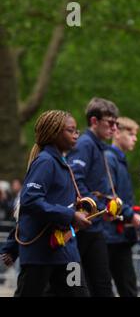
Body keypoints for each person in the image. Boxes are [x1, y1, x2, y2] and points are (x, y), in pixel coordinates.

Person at [12, 110, 91, 297]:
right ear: (54, 133)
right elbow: (30, 200)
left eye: (76, 131)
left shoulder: (62, 163)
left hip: (66, 252)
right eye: (70, 130)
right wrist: (71, 215)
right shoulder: (45, 162)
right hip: (41, 254)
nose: (75, 135)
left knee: (79, 293)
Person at [68, 98, 119, 297]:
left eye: (116, 123)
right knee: (73, 284)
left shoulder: (98, 146)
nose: (114, 128)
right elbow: (76, 181)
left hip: (94, 226)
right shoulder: (85, 144)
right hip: (81, 226)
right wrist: (99, 207)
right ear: (94, 121)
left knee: (102, 284)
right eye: (110, 123)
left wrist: (108, 205)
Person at [104, 117, 140, 297]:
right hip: (109, 236)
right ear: (117, 133)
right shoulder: (109, 158)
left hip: (120, 237)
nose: (134, 138)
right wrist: (132, 215)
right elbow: (109, 196)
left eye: (136, 135)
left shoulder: (120, 160)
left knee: (128, 286)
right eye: (130, 133)